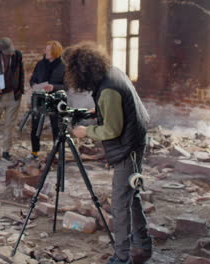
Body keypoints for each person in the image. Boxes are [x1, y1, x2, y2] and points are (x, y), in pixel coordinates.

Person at [64, 42, 152, 264]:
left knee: (120, 204)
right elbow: (119, 107)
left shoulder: (108, 90)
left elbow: (112, 129)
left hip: (128, 148)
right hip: (136, 140)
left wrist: (86, 131)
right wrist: (99, 112)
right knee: (132, 197)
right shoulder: (112, 72)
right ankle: (143, 244)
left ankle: (121, 258)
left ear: (81, 70)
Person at [28, 40, 67, 160]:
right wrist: (35, 85)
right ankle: (35, 152)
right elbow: (32, 80)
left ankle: (57, 152)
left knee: (57, 126)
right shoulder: (40, 64)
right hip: (39, 98)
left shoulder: (63, 66)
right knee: (35, 126)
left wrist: (54, 87)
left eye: (49, 50)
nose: (46, 51)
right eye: (46, 49)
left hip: (56, 99)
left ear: (55, 51)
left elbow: (67, 85)